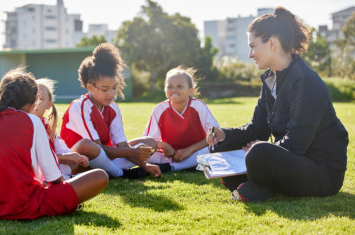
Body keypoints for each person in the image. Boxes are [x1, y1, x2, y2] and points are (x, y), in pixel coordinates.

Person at [207, 7, 348, 202]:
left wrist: (259, 148)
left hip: (320, 172)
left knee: (259, 152)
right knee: (223, 146)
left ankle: (257, 186)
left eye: (253, 46)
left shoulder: (305, 80)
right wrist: (224, 135)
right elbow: (257, 128)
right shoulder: (271, 80)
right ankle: (255, 183)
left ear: (272, 43)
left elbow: (296, 143)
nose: (250, 54)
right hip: (293, 162)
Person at [0, 69, 108, 219]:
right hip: (19, 205)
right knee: (100, 176)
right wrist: (68, 195)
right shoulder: (31, 121)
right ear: (32, 103)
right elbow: (53, 177)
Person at [60, 43, 163, 179]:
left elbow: (122, 144)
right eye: (104, 89)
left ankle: (109, 170)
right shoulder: (79, 107)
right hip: (78, 160)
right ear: (90, 87)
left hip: (104, 158)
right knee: (88, 145)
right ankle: (120, 173)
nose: (111, 94)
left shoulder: (113, 107)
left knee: (150, 142)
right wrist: (131, 153)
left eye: (114, 88)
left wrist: (144, 165)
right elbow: (96, 148)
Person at [143, 66, 219, 171]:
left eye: (179, 86)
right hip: (170, 155)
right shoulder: (159, 109)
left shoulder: (198, 106)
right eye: (169, 86)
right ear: (165, 89)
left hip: (195, 152)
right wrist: (164, 146)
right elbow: (147, 141)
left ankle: (172, 167)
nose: (174, 90)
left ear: (190, 91)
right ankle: (187, 165)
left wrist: (189, 150)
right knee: (143, 150)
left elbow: (215, 134)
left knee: (215, 147)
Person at [32, 78, 99, 179]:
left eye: (41, 99)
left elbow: (60, 148)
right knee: (97, 176)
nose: (36, 102)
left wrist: (76, 157)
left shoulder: (47, 125)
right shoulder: (25, 125)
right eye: (33, 98)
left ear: (49, 105)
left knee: (77, 164)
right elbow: (35, 158)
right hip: (37, 172)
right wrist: (64, 157)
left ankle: (69, 178)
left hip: (51, 168)